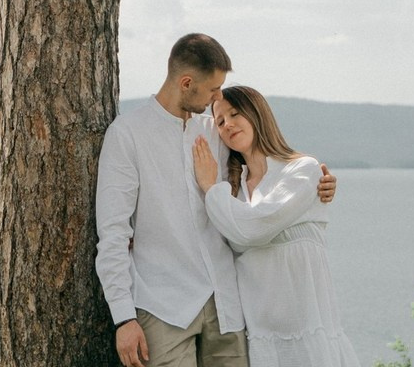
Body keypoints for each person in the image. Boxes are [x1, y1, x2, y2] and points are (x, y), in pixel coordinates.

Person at [95, 33, 336, 367]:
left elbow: (265, 173)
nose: (218, 97)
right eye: (213, 89)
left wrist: (320, 184)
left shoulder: (218, 131)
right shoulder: (127, 134)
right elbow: (113, 233)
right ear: (186, 83)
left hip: (226, 305)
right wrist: (123, 317)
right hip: (163, 306)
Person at [191, 86, 360, 367]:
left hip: (306, 328)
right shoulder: (233, 190)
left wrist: (210, 188)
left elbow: (254, 229)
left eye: (235, 113)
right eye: (219, 121)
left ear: (257, 114)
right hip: (260, 335)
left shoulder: (303, 169)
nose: (227, 124)